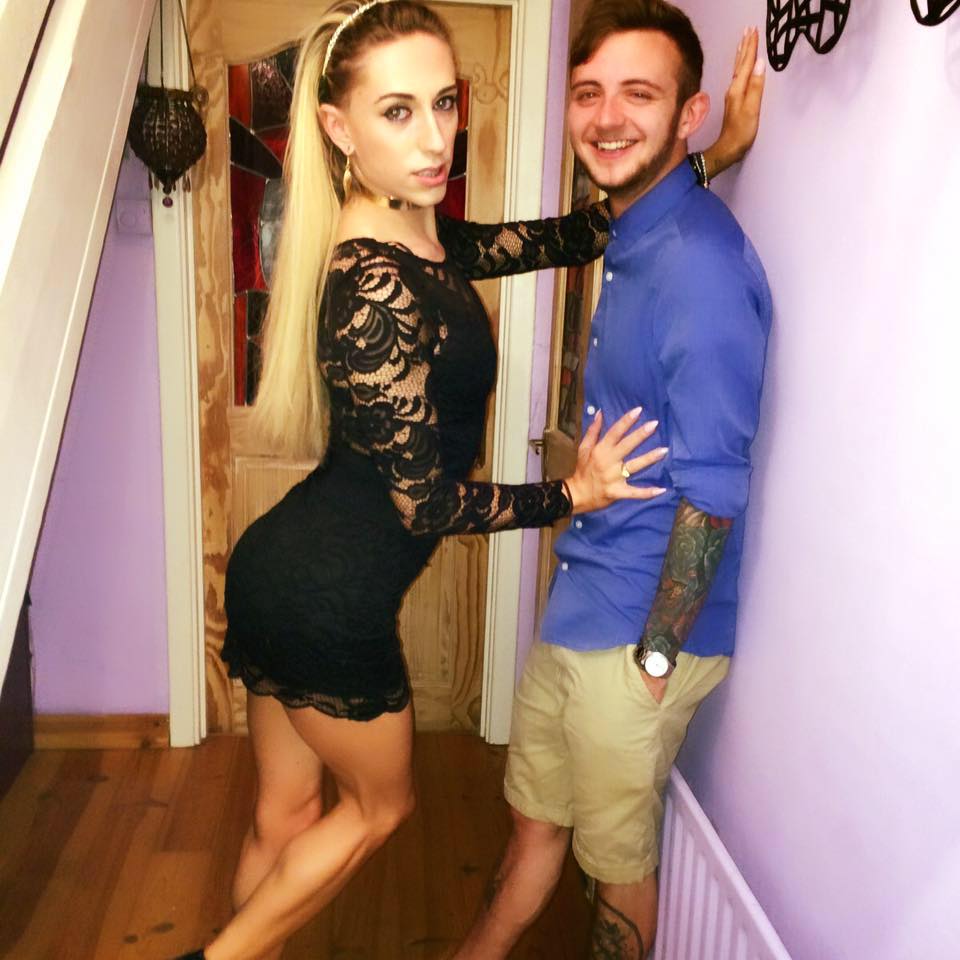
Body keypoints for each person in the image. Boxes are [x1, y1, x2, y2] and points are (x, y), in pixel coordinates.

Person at [174, 2, 762, 957]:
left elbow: (570, 235)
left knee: (285, 817)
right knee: (379, 811)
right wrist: (569, 495)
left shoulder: (420, 234)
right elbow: (428, 504)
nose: (436, 138)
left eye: (444, 103)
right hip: (327, 597)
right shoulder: (373, 280)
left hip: (279, 569)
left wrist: (709, 159)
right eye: (397, 111)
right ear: (338, 128)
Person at [454, 4, 770, 960]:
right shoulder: (629, 234)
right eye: (588, 92)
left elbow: (715, 491)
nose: (606, 117)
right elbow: (607, 205)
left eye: (639, 93)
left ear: (689, 112)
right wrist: (717, 157)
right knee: (533, 827)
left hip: (637, 634)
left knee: (615, 867)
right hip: (582, 602)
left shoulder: (701, 269)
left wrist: (656, 660)